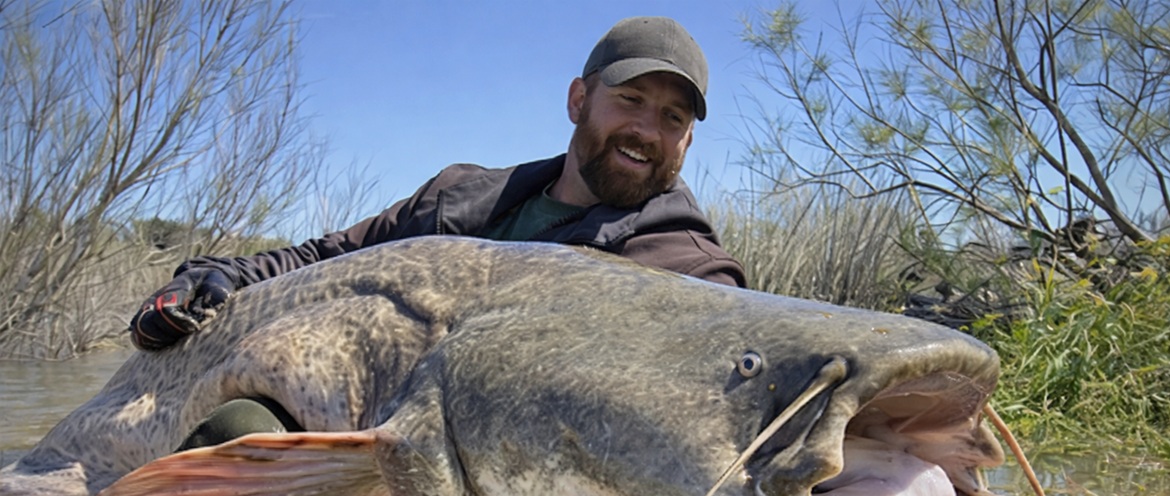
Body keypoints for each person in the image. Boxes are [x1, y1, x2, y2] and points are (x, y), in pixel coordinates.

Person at [130, 16, 746, 351]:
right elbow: (327, 260)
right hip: (353, 423)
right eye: (630, 99)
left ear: (688, 140)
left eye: (674, 118)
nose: (646, 129)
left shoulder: (693, 276)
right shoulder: (455, 196)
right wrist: (218, 279)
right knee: (235, 430)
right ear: (578, 99)